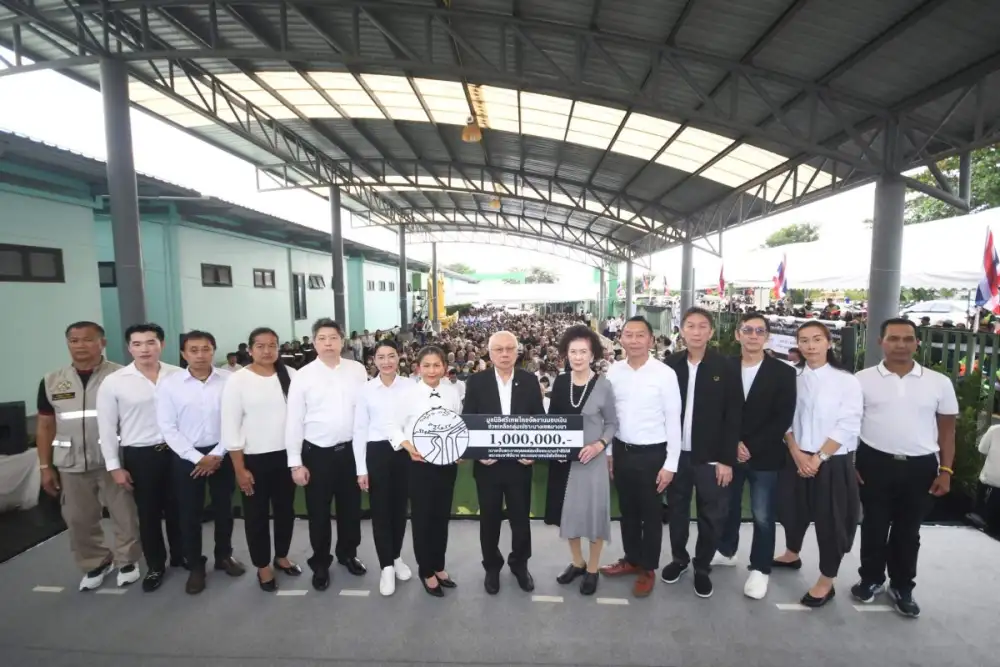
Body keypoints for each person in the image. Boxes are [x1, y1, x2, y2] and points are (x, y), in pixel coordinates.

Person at [852, 318, 957, 617]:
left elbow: (947, 431)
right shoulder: (861, 380)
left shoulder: (939, 382)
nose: (901, 344)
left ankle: (902, 586)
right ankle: (871, 579)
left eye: (908, 339)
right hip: (874, 462)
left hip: (921, 467)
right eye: (894, 338)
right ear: (881, 342)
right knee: (873, 526)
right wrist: (851, 463)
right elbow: (849, 424)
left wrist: (946, 471)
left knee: (908, 532)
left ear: (917, 343)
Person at [36, 321, 140, 591]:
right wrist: (45, 466)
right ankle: (96, 561)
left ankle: (127, 560)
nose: (80, 346)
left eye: (87, 339)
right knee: (78, 518)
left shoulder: (122, 376)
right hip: (70, 463)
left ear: (102, 343)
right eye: (74, 340)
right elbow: (45, 425)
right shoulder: (52, 381)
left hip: (113, 460)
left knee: (124, 514)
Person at [773, 321, 863, 608]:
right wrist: (797, 453)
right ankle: (792, 553)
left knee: (831, 521)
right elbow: (783, 418)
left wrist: (818, 458)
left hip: (832, 460)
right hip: (796, 456)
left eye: (816, 339)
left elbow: (848, 423)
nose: (810, 346)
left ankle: (827, 580)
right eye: (804, 340)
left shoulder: (845, 380)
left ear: (829, 342)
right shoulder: (792, 376)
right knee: (791, 510)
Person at [156, 330, 245, 594]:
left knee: (223, 509)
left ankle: (224, 556)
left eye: (206, 349)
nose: (200, 355)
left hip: (223, 454)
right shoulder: (169, 384)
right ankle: (195, 564)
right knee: (189, 513)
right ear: (183, 354)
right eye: (193, 350)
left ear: (213, 351)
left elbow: (237, 420)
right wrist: (197, 458)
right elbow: (168, 427)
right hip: (187, 457)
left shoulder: (230, 380)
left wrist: (217, 454)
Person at [714, 314, 796, 600]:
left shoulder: (783, 373)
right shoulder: (724, 367)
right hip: (730, 452)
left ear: (767, 337)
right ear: (738, 335)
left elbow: (782, 417)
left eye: (760, 331)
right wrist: (733, 443)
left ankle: (760, 568)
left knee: (763, 515)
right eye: (747, 330)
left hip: (766, 455)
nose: (753, 335)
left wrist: (750, 445)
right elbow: (717, 410)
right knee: (728, 507)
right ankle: (726, 551)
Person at [97, 323, 183, 592]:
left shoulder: (179, 375)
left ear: (162, 344)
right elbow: (106, 428)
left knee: (179, 509)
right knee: (148, 514)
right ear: (129, 347)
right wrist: (114, 467)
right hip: (141, 456)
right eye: (137, 344)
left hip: (178, 452)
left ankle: (181, 556)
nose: (144, 349)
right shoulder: (114, 382)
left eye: (150, 342)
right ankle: (156, 565)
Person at [600, 316, 683, 598]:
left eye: (640, 335)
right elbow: (609, 417)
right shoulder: (614, 371)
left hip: (653, 455)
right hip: (622, 451)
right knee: (628, 512)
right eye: (628, 335)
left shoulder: (664, 373)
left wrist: (670, 464)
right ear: (620, 339)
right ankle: (632, 559)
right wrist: (609, 453)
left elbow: (673, 421)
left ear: (651, 339)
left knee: (651, 514)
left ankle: (648, 568)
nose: (634, 340)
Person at [662, 307, 741, 598]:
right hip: (677, 455)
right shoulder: (670, 364)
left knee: (712, 515)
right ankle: (679, 559)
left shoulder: (726, 367)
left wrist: (726, 460)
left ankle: (703, 566)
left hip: (711, 458)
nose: (696, 332)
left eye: (702, 326)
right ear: (682, 330)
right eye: (691, 326)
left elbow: (733, 416)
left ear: (711, 331)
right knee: (677, 511)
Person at [285, 318, 369, 591]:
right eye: (322, 338)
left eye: (333, 338)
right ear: (314, 343)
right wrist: (295, 463)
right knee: (319, 513)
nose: (328, 343)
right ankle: (320, 562)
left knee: (351, 509)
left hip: (350, 452)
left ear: (342, 341)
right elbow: (294, 421)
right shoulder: (303, 376)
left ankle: (348, 553)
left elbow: (365, 413)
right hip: (317, 455)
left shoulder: (357, 370)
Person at [464, 330, 546, 595]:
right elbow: (468, 421)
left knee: (520, 520)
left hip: (520, 465)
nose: (505, 354)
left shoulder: (529, 381)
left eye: (510, 348)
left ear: (517, 351)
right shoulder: (476, 382)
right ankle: (491, 566)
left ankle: (520, 564)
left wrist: (533, 451)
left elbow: (539, 420)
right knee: (489, 521)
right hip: (488, 466)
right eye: (499, 349)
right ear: (490, 354)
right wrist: (478, 453)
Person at [221, 327, 302, 593]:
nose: (267, 351)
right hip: (253, 459)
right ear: (250, 349)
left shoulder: (291, 375)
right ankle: (262, 566)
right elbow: (231, 427)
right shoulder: (238, 380)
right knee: (256, 515)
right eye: (260, 346)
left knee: (285, 511)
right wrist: (239, 469)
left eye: (272, 345)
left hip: (286, 457)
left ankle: (281, 556)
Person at [550, 325, 618, 596]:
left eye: (583, 352)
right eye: (573, 352)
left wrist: (599, 445)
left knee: (594, 514)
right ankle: (577, 562)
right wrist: (553, 448)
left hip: (593, 461)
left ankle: (592, 568)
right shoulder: (560, 383)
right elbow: (553, 421)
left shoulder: (604, 385)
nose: (577, 357)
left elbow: (611, 423)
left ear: (592, 355)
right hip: (565, 462)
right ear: (566, 354)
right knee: (570, 514)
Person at [392, 346, 463, 597]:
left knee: (441, 518)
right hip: (419, 465)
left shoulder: (452, 391)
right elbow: (393, 427)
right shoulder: (408, 394)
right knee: (423, 519)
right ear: (418, 368)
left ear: (444, 367)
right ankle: (426, 570)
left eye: (437, 365)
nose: (432, 370)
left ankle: (439, 566)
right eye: (427, 365)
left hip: (446, 465)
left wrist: (458, 449)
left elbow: (458, 423)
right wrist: (409, 447)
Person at [354, 340, 413, 596]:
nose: (386, 361)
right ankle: (386, 566)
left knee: (399, 511)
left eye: (391, 356)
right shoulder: (366, 390)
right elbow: (359, 430)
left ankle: (396, 556)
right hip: (377, 453)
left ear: (399, 357)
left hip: (405, 453)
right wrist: (361, 468)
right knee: (380, 512)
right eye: (381, 357)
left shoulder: (411, 386)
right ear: (373, 360)